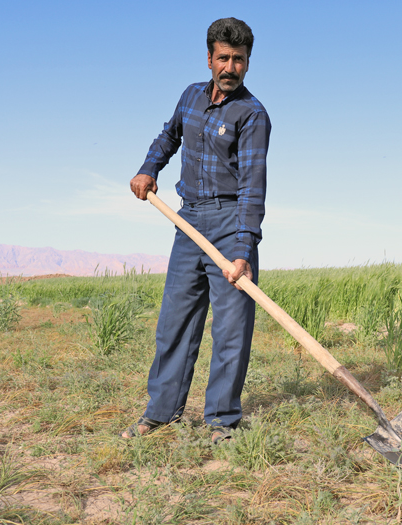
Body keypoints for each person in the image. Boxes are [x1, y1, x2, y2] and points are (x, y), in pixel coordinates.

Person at [124, 17, 271, 443]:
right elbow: (168, 137)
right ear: (209, 58)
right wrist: (148, 168)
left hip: (230, 224)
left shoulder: (253, 115)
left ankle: (222, 421)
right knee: (175, 322)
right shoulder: (190, 97)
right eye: (223, 58)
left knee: (231, 329)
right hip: (188, 221)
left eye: (239, 60)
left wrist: (242, 249)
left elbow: (252, 189)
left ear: (248, 62)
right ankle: (161, 412)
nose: (231, 67)